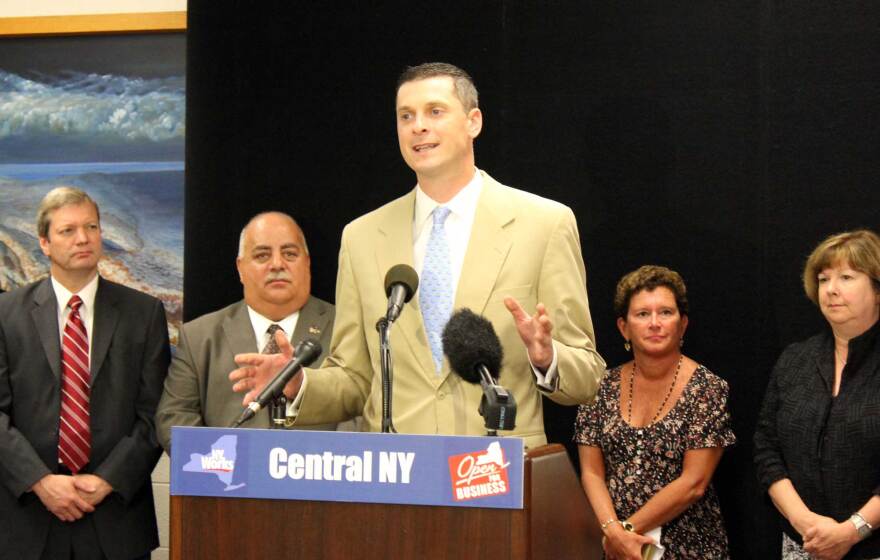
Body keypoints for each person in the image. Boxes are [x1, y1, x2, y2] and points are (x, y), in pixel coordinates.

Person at [229, 62, 606, 447]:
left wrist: (546, 357)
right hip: (395, 477)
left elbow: (588, 375)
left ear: (473, 122)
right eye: (405, 116)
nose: (418, 126)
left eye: (435, 111)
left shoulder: (544, 224)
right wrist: (300, 383)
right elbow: (356, 379)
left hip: (496, 471)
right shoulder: (361, 237)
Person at [0, 186, 170, 559]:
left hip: (115, 520)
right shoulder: (6, 314)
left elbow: (155, 413)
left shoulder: (144, 315)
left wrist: (108, 480)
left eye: (91, 227)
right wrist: (41, 482)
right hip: (28, 522)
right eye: (68, 230)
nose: (83, 238)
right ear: (44, 243)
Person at [575, 265, 735, 559]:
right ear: (624, 327)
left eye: (665, 312)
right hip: (612, 544)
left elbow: (694, 484)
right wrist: (612, 531)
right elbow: (591, 472)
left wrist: (625, 532)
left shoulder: (708, 388)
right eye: (642, 314)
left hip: (688, 546)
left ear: (683, 323)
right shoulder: (600, 386)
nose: (654, 323)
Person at [155, 212, 337, 451]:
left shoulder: (345, 328)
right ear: (240, 268)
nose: (277, 264)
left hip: (322, 481)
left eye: (289, 254)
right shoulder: (199, 336)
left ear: (307, 263)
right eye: (262, 255)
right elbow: (174, 416)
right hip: (228, 482)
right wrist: (220, 464)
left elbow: (365, 412)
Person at [754, 229, 880, 560]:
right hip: (803, 545)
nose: (831, 290)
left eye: (847, 277)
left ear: (878, 289)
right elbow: (766, 448)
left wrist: (851, 531)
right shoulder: (795, 359)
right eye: (824, 279)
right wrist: (803, 520)